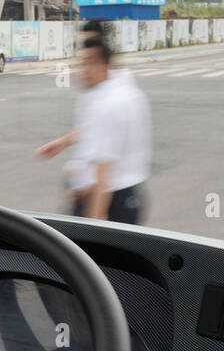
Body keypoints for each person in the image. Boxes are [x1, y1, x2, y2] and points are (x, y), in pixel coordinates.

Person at [34, 33, 151, 224]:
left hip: (111, 199)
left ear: (104, 65)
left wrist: (95, 220)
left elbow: (104, 169)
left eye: (89, 63)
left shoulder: (108, 103)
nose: (83, 70)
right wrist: (64, 142)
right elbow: (98, 129)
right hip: (125, 196)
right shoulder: (120, 90)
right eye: (81, 64)